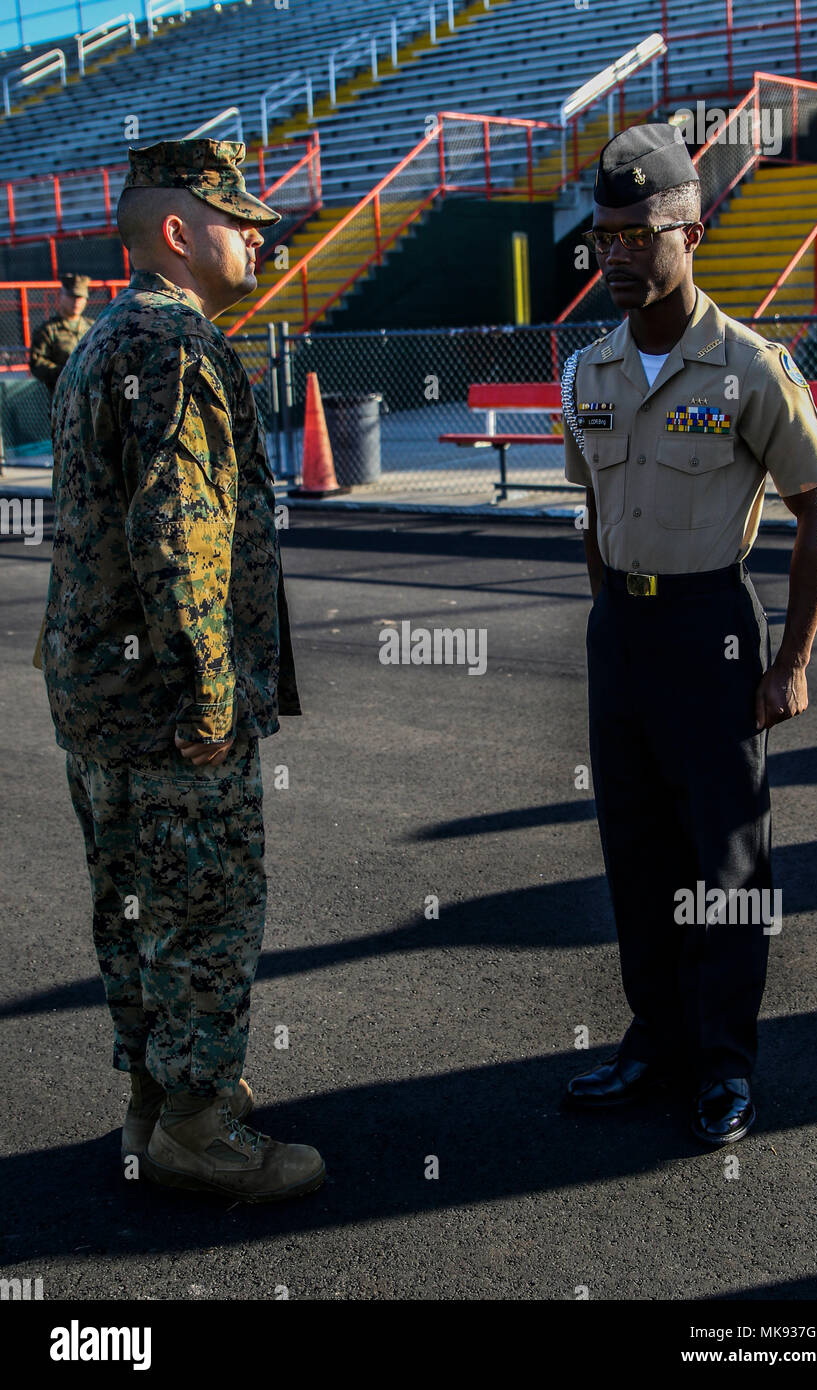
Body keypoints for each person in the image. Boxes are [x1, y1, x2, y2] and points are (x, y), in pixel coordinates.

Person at [41, 138, 325, 1201]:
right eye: (236, 217)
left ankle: (155, 1098)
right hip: (168, 699)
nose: (257, 233)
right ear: (176, 231)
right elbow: (178, 533)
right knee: (205, 905)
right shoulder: (173, 345)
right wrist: (213, 690)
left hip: (97, 692)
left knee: (128, 900)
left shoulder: (100, 338)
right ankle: (200, 1127)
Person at [560, 124, 817, 1144]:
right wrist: (609, 615)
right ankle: (656, 1041)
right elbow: (588, 510)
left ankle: (723, 1063)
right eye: (605, 237)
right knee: (633, 854)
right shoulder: (587, 370)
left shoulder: (746, 366)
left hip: (709, 627)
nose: (617, 256)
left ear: (689, 231)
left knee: (722, 863)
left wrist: (791, 662)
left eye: (638, 235)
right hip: (621, 635)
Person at [28, 272, 93, 400]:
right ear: (61, 297)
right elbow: (37, 363)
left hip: (90, 397)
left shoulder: (93, 328)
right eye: (71, 297)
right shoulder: (48, 330)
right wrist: (64, 372)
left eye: (80, 297)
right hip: (63, 398)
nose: (76, 302)